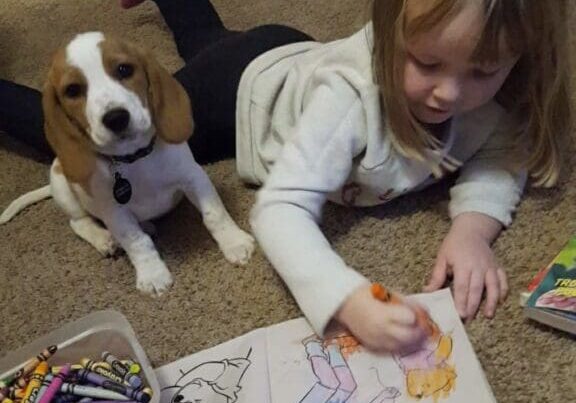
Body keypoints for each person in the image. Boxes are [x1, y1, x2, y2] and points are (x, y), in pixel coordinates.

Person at [0, 0, 571, 352]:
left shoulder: (495, 98)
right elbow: (276, 210)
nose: (450, 92)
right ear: (388, 34)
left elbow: (500, 153)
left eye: (483, 71)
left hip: (293, 54)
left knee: (208, 43)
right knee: (134, 112)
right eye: (426, 63)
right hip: (246, 95)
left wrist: (473, 227)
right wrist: (344, 296)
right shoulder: (348, 102)